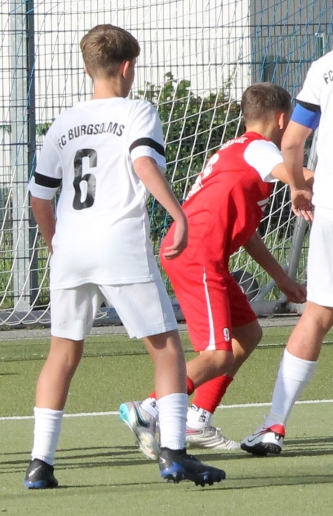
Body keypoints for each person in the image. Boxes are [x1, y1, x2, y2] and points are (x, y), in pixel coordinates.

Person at [24, 25, 222, 489]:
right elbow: (143, 163)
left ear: (87, 68)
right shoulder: (138, 111)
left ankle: (39, 464)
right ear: (128, 67)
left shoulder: (64, 122)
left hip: (71, 248)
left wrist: (56, 245)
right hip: (119, 243)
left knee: (62, 353)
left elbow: (39, 198)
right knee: (166, 348)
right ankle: (175, 453)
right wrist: (178, 215)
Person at [116, 83, 307, 455]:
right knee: (218, 355)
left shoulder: (239, 150)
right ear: (283, 119)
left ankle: (196, 418)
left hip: (199, 253)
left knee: (247, 333)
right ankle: (149, 408)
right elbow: (298, 176)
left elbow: (246, 232)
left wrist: (281, 277)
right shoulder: (260, 149)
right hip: (197, 255)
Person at [241, 50, 333, 457]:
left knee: (318, 313)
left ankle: (274, 424)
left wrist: (297, 187)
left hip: (330, 207)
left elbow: (293, 141)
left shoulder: (324, 67)